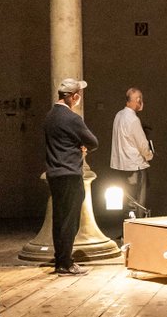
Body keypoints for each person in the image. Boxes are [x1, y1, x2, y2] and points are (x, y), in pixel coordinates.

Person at [44, 78, 98, 276]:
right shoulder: (73, 118)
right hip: (70, 173)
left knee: (59, 219)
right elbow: (93, 142)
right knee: (70, 221)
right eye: (79, 96)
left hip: (54, 174)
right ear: (74, 97)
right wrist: (82, 147)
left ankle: (60, 261)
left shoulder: (49, 116)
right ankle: (67, 263)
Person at [110, 87, 154, 210]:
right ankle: (137, 228)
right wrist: (149, 155)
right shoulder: (133, 119)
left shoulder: (118, 115)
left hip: (120, 165)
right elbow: (142, 144)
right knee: (137, 202)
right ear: (138, 100)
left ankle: (126, 228)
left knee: (125, 201)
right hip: (134, 165)